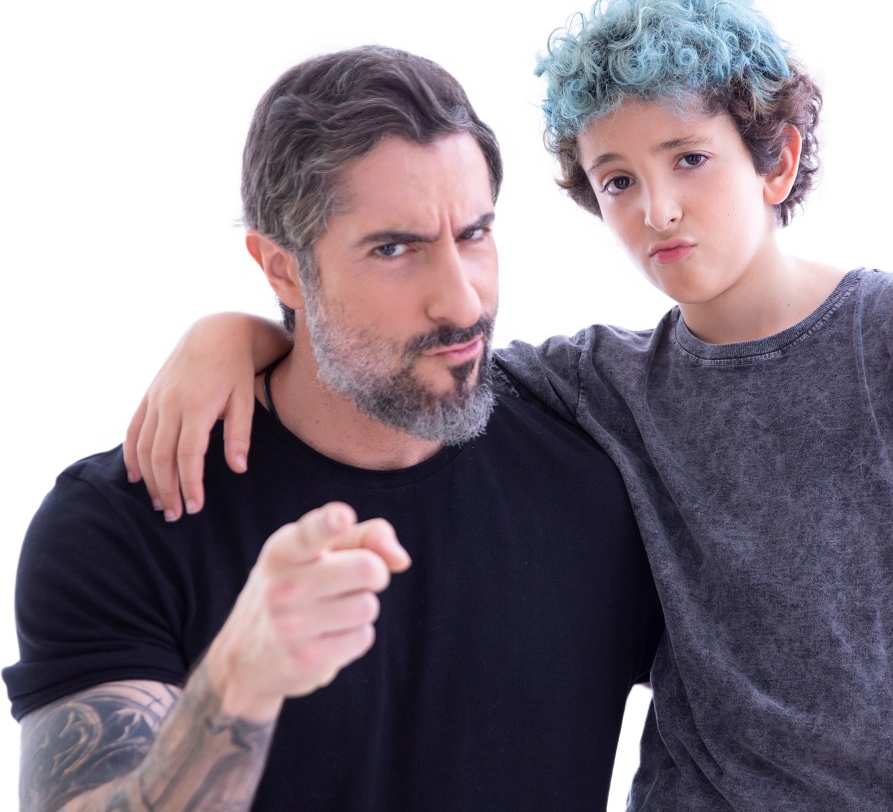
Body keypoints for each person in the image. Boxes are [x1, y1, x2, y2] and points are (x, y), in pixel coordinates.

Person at [119, 0, 893, 809]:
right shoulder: (605, 385)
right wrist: (233, 331)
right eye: (619, 180)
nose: (657, 210)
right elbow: (400, 361)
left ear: (775, 161)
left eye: (689, 159)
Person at [2, 45, 663, 811]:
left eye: (474, 234)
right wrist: (238, 681)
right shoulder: (127, 523)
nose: (461, 301)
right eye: (394, 249)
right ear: (281, 269)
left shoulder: (597, 484)